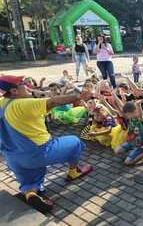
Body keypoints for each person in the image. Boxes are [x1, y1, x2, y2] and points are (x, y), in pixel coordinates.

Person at [0, 75, 93, 213]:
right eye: (23, 83)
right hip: (38, 153)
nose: (28, 86)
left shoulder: (2, 104)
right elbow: (53, 102)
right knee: (75, 142)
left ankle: (30, 194)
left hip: (14, 158)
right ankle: (73, 172)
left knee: (31, 180)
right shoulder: (21, 103)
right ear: (14, 91)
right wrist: (77, 97)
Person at [114, 101, 143, 165]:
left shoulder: (141, 119)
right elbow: (122, 106)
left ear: (135, 112)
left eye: (127, 114)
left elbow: (140, 115)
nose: (126, 115)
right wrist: (113, 94)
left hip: (141, 145)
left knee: (127, 162)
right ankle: (135, 151)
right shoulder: (131, 118)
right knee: (117, 151)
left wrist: (138, 106)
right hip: (131, 142)